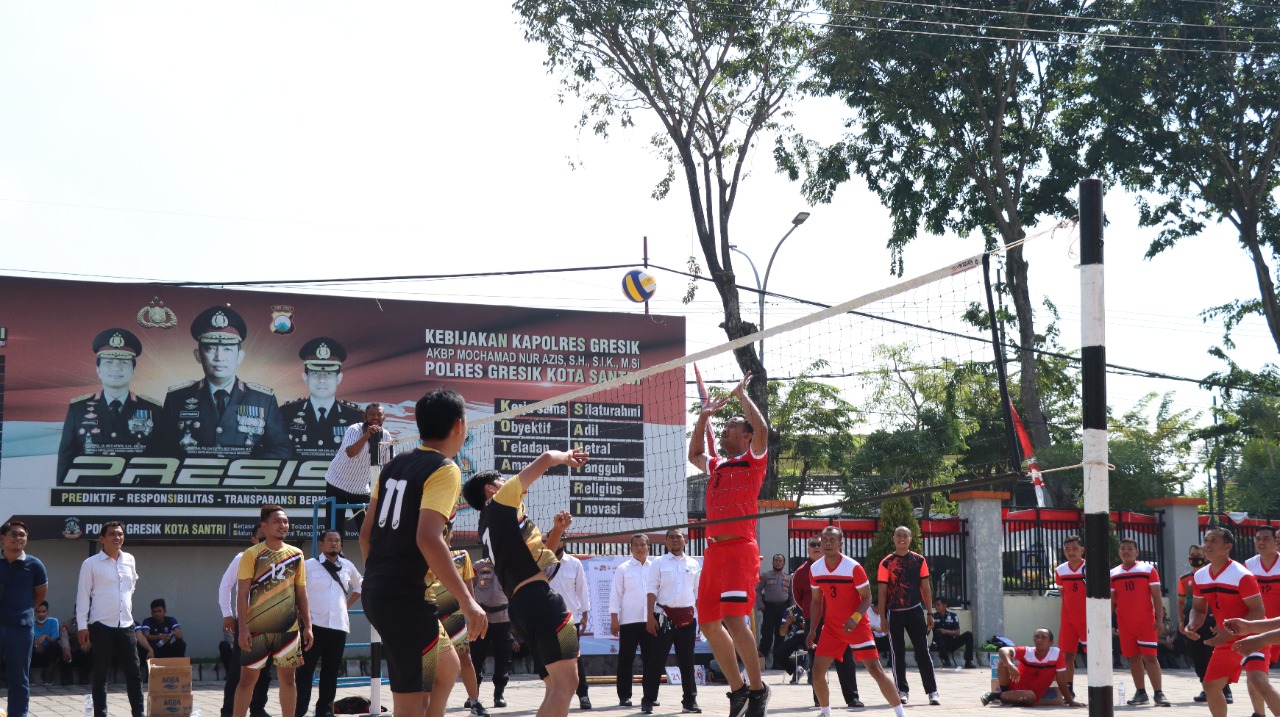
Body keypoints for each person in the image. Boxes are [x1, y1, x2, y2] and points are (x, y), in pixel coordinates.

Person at [360, 388, 486, 717]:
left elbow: (365, 534)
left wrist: (380, 578)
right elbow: (428, 539)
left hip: (383, 590)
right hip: (404, 598)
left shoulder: (393, 466)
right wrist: (467, 601)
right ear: (459, 425)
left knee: (447, 669)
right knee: (411, 702)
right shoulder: (445, 469)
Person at [461, 448, 590, 717]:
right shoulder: (500, 502)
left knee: (555, 686)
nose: (507, 481)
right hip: (538, 600)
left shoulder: (487, 524)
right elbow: (546, 458)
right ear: (490, 488)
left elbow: (540, 564)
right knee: (567, 684)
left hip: (523, 605)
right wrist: (567, 456)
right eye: (501, 479)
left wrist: (557, 531)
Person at [687, 371, 771, 717]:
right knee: (708, 623)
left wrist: (741, 396)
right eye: (722, 427)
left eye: (730, 427)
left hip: (739, 549)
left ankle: (758, 689)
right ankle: (738, 689)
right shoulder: (717, 464)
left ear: (746, 436)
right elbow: (694, 453)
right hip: (714, 552)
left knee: (735, 620)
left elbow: (763, 430)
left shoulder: (754, 459)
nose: (723, 430)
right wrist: (702, 418)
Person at [158, 305, 290, 459]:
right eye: (211, 348)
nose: (219, 357)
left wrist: (243, 469)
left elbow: (282, 449)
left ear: (240, 356)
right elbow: (161, 451)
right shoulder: (176, 399)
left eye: (227, 349)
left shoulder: (263, 400)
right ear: (198, 355)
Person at [806, 526, 904, 717]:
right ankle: (825, 712)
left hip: (857, 626)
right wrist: (812, 629)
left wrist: (855, 618)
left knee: (875, 670)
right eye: (824, 540)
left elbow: (867, 597)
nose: (827, 544)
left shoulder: (853, 567)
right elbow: (816, 602)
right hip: (832, 628)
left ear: (840, 544)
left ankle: (900, 713)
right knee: (817, 672)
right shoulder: (815, 569)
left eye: (832, 540)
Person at [1185, 527, 1278, 717]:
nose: (1207, 545)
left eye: (1213, 541)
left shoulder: (1242, 575)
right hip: (1226, 638)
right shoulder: (1200, 575)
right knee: (1210, 686)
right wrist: (1192, 624)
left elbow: (1258, 612)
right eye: (1206, 540)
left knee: (1258, 680)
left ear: (1228, 547)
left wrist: (1228, 633)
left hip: (1253, 636)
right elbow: (1198, 609)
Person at [234, 504, 313, 717]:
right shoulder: (252, 554)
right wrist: (243, 629)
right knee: (247, 680)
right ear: (264, 526)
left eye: (285, 521)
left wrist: (308, 625)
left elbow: (301, 592)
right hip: (257, 628)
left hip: (287, 628)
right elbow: (242, 594)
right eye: (277, 521)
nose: (283, 525)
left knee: (288, 680)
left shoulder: (296, 554)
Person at [57, 328, 161, 480]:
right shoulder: (78, 409)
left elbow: (161, 459)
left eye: (124, 362)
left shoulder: (153, 410)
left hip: (135, 492)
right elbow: (65, 458)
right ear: (98, 370)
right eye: (109, 362)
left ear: (134, 370)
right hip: (90, 493)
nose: (116, 368)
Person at [76, 521, 144, 717]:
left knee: (134, 672)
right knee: (101, 673)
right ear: (102, 539)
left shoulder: (129, 559)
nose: (117, 537)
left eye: (120, 534)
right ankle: (100, 713)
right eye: (112, 534)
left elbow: (131, 587)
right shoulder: (90, 564)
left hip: (126, 624)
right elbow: (83, 595)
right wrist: (82, 625)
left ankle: (138, 712)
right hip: (101, 625)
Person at [297, 529, 363, 717]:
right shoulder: (309, 565)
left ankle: (325, 711)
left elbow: (361, 585)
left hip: (338, 626)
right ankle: (298, 710)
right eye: (330, 540)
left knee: (331, 671)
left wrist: (346, 605)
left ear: (341, 545)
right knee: (305, 671)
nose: (334, 543)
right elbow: (297, 591)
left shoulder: (347, 566)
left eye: (337, 540)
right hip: (313, 626)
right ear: (321, 544)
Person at [427, 522, 487, 717]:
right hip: (428, 614)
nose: (446, 533)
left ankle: (475, 702)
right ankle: (430, 706)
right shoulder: (424, 554)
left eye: (447, 530)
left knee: (465, 658)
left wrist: (473, 614)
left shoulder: (462, 556)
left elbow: (469, 592)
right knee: (431, 664)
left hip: (454, 615)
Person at [793, 535, 860, 707]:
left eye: (819, 544)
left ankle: (852, 697)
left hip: (838, 619)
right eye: (813, 544)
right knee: (816, 659)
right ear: (808, 549)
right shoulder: (801, 572)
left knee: (845, 658)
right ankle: (819, 699)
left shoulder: (838, 566)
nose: (816, 547)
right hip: (814, 620)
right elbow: (799, 599)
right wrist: (811, 616)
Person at [877, 525, 939, 705]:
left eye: (905, 535)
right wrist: (883, 617)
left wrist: (930, 612)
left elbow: (926, 588)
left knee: (923, 651)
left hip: (915, 611)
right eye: (898, 535)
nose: (901, 538)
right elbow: (882, 592)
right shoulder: (886, 563)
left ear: (911, 539)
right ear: (893, 539)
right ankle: (902, 691)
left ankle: (932, 691)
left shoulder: (919, 560)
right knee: (897, 653)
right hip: (894, 613)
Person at [218, 523, 274, 717]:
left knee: (265, 671)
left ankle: (257, 709)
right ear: (253, 539)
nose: (265, 541)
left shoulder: (280, 559)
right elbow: (226, 585)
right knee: (238, 670)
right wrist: (227, 613)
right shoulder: (242, 558)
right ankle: (229, 711)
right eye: (261, 537)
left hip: (271, 621)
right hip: (247, 623)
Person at [645, 527, 702, 714]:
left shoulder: (693, 564)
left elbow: (697, 593)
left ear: (685, 540)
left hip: (687, 619)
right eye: (671, 537)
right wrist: (649, 617)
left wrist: (701, 619)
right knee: (656, 659)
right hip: (663, 617)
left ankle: (690, 701)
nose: (675, 540)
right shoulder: (658, 563)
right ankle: (649, 700)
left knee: (687, 661)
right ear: (666, 541)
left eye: (678, 537)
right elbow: (651, 590)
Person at [280, 337, 365, 461]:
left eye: (328, 374)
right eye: (315, 373)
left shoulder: (355, 417)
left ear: (339, 378)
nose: (322, 379)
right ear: (305, 378)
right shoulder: (286, 413)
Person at [1110, 537, 1171, 706]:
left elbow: (1157, 597)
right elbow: (1112, 600)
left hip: (1146, 621)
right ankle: (1141, 692)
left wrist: (1159, 620)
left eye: (1130, 549)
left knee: (1150, 657)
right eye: (1123, 549)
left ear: (1137, 552)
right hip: (1124, 623)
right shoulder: (1113, 573)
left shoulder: (1148, 569)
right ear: (1119, 552)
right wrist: (1106, 622)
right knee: (1133, 658)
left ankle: (1159, 693)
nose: (1126, 552)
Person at [324, 402, 394, 537]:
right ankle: (335, 551)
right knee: (334, 532)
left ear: (384, 417)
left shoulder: (386, 436)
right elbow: (351, 452)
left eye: (379, 414)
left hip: (361, 489)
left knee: (369, 531)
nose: (375, 417)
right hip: (337, 484)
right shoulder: (354, 430)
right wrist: (367, 435)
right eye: (372, 414)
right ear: (365, 416)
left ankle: (370, 552)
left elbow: (388, 465)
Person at [1, 520, 48, 717]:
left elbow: (40, 595)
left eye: (22, 534)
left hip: (21, 628)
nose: (18, 538)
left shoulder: (35, 565)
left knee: (19, 677)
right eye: (14, 534)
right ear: (2, 538)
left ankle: (18, 714)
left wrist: (23, 611)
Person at [546, 518, 592, 710]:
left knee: (574, 659)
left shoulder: (574, 563)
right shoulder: (540, 563)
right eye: (553, 537)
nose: (557, 540)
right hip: (546, 619)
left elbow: (582, 589)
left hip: (568, 619)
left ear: (564, 541)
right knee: (548, 659)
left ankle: (583, 695)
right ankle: (551, 695)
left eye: (560, 537)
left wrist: (585, 613)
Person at [979, 628, 1084, 707]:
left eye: (1043, 637)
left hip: (1030, 695)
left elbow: (1061, 681)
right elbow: (1003, 650)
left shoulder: (1056, 654)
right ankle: (1004, 693)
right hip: (1012, 686)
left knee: (1030, 695)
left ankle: (995, 696)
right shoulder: (1027, 651)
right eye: (1036, 637)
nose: (1039, 640)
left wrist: (1070, 702)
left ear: (1051, 642)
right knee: (1004, 661)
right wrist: (1010, 665)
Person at [610, 534, 655, 710]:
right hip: (629, 621)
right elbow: (616, 594)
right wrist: (614, 619)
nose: (639, 548)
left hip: (651, 620)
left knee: (651, 660)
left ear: (648, 547)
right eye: (636, 545)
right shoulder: (623, 569)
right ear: (631, 548)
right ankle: (624, 696)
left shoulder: (655, 567)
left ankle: (650, 696)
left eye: (643, 544)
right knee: (626, 659)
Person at [1178, 543, 1225, 704]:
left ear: (1205, 557)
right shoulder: (1184, 579)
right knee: (1197, 657)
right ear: (1188, 558)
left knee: (1212, 655)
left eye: (1199, 556)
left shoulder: (1212, 576)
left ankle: (1224, 689)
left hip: (1210, 620)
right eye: (1193, 556)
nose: (1196, 559)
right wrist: (1181, 621)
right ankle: (1206, 688)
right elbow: (1180, 602)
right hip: (1192, 622)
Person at [1246, 525, 1280, 716]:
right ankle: (1258, 713)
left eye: (1266, 538)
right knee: (1254, 673)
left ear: (1276, 542)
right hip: (1257, 629)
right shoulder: (1248, 565)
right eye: (1258, 538)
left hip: (1279, 627)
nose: (1261, 542)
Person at [471, 557, 514, 708]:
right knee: (476, 657)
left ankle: (499, 694)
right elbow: (469, 588)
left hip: (503, 618)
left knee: (503, 658)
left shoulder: (509, 565)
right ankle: (473, 695)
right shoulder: (478, 566)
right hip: (481, 618)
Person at [1053, 535, 1086, 693]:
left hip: (1088, 620)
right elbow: (1063, 594)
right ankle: (1068, 690)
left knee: (1093, 656)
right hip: (1068, 620)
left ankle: (1097, 688)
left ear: (1082, 550)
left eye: (1074, 548)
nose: (1071, 552)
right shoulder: (1060, 570)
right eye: (1067, 549)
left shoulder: (1091, 568)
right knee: (1067, 656)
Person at [756, 554, 791, 662]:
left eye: (780, 561)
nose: (778, 563)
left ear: (784, 563)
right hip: (769, 609)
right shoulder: (766, 576)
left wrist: (791, 609)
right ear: (772, 562)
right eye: (776, 560)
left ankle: (778, 660)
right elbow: (757, 590)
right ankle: (762, 659)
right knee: (767, 633)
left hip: (783, 609)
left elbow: (792, 595)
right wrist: (761, 606)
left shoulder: (788, 578)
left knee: (780, 634)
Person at [31, 601, 70, 687]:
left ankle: (49, 670)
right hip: (35, 652)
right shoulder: (31, 623)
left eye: (43, 611)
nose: (41, 614)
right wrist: (36, 644)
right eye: (38, 612)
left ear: (47, 612)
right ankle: (28, 674)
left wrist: (45, 637)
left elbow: (54, 639)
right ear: (34, 613)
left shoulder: (53, 621)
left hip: (48, 653)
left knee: (54, 646)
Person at [930, 597, 974, 668]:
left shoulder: (953, 616)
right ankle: (946, 660)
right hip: (939, 644)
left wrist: (946, 631)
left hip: (951, 642)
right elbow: (927, 630)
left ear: (945, 605)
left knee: (969, 635)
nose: (936, 607)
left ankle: (968, 662)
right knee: (938, 632)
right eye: (935, 605)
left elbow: (957, 633)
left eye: (938, 605)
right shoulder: (933, 617)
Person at [774, 604, 808, 682]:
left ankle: (812, 673)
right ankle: (797, 670)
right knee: (778, 654)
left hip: (810, 636)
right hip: (796, 636)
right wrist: (788, 622)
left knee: (815, 649)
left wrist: (801, 622)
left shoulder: (810, 607)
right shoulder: (789, 611)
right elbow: (782, 633)